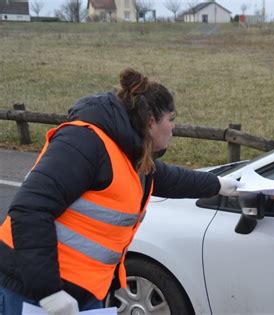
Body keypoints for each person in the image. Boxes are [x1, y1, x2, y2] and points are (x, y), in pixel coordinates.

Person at [0, 68, 240, 315]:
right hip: (31, 291)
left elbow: (173, 179)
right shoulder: (84, 142)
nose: (174, 127)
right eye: (171, 118)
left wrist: (220, 185)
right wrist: (48, 291)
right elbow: (30, 209)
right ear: (150, 122)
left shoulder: (130, 153)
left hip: (82, 293)